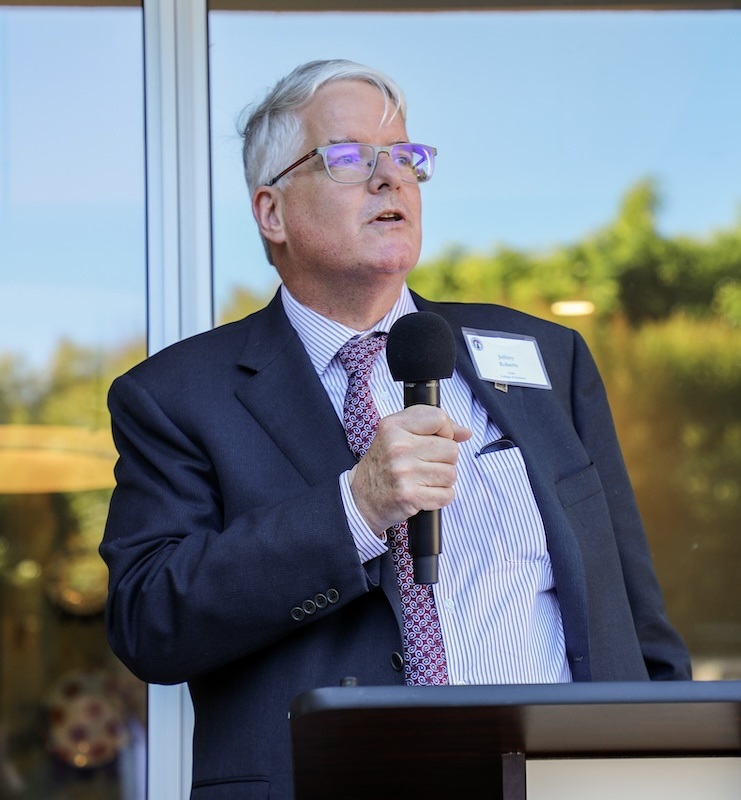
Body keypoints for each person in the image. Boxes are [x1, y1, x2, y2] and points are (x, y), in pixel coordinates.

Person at [100, 59, 691, 799]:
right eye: (349, 157)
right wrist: (354, 508)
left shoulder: (545, 357)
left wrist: (681, 754)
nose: (392, 179)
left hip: (564, 778)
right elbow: (149, 618)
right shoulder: (177, 396)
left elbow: (631, 605)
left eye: (407, 157)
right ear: (271, 212)